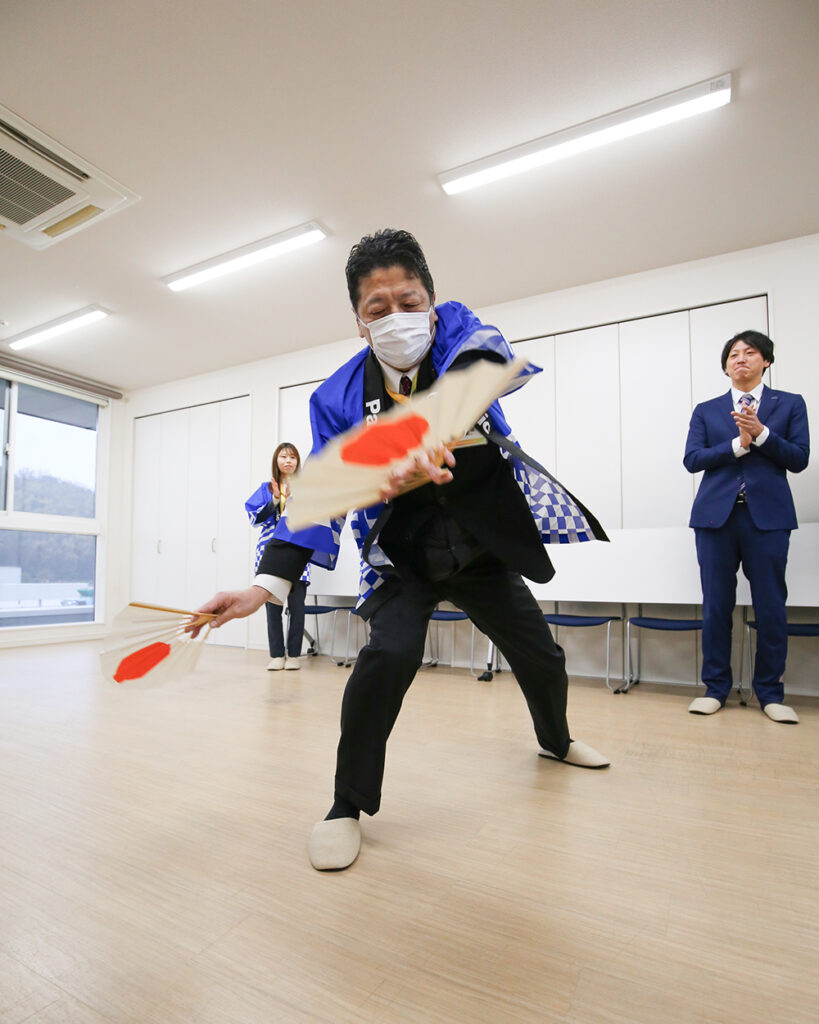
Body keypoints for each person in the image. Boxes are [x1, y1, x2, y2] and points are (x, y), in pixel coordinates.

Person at [195, 229, 610, 872]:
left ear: (432, 299)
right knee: (386, 656)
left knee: (542, 652)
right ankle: (345, 806)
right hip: (402, 553)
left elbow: (487, 360)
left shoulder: (457, 330)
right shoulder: (334, 398)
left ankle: (555, 740)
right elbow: (321, 494)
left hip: (479, 543)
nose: (396, 317)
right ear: (358, 321)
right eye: (377, 309)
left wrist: (428, 426)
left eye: (408, 300)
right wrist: (263, 588)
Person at [683, 330, 810, 722]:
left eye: (750, 352)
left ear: (765, 361)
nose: (741, 358)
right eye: (733, 355)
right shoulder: (706, 409)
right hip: (714, 519)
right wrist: (738, 444)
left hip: (768, 520)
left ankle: (770, 693)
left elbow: (799, 458)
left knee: (771, 607)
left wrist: (762, 433)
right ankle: (716, 688)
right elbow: (692, 459)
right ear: (726, 367)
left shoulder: (789, 404)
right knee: (716, 606)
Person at [244, 442, 310, 670]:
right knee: (272, 605)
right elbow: (254, 519)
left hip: (298, 550)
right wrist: (275, 500)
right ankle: (276, 655)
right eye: (283, 456)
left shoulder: (306, 488)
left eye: (292, 457)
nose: (288, 461)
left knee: (297, 606)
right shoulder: (266, 488)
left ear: (298, 462)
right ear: (276, 461)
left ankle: (293, 655)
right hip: (270, 552)